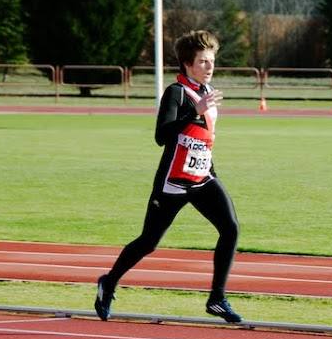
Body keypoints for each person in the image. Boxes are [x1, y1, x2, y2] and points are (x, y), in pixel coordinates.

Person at [95, 30, 242, 323]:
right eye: (203, 61)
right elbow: (161, 136)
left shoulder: (206, 92)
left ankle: (217, 298)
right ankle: (108, 282)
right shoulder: (176, 93)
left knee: (231, 228)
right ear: (188, 64)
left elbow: (204, 140)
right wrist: (194, 112)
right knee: (149, 242)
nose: (209, 67)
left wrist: (210, 170)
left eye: (211, 61)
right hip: (173, 183)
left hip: (202, 178)